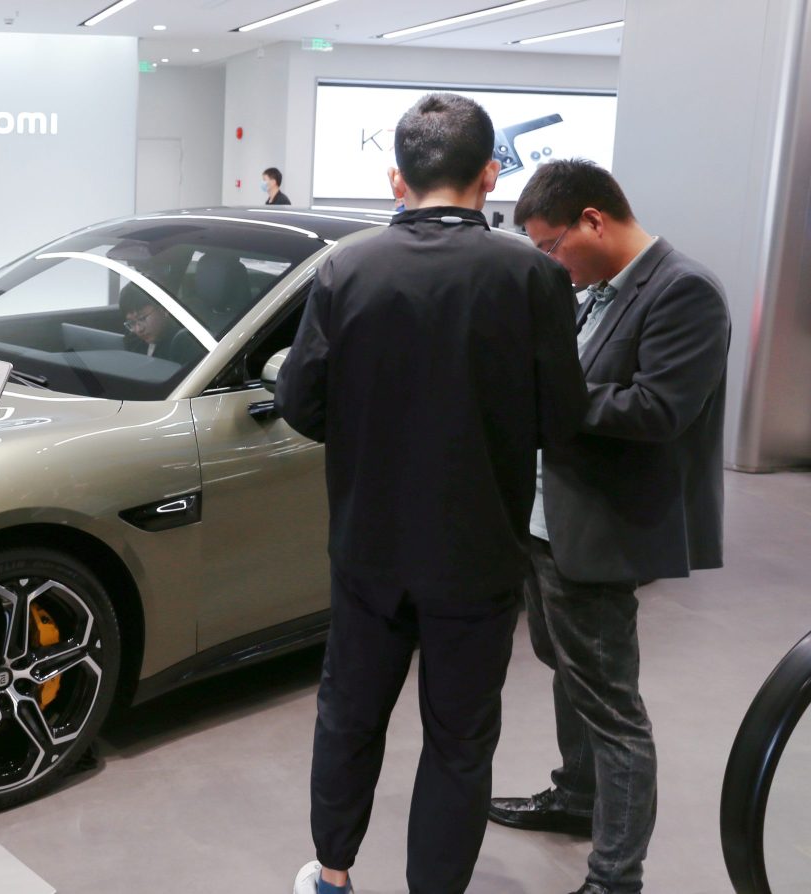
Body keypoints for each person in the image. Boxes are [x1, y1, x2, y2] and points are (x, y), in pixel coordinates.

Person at [277, 93, 588, 894]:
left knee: (349, 716)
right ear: (491, 175)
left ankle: (333, 875)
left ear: (396, 178)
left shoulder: (346, 268)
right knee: (460, 741)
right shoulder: (534, 275)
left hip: (368, 546)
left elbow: (300, 404)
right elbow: (563, 418)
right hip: (479, 553)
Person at [489, 160, 731, 894]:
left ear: (593, 220)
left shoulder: (685, 290)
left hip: (601, 529)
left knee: (612, 708)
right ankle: (576, 796)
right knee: (569, 671)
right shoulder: (593, 292)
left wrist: (548, 396)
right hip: (548, 521)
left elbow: (660, 410)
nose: (550, 264)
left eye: (552, 246)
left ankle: (616, 877)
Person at [119, 282, 198, 363]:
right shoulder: (134, 341)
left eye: (142, 318)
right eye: (132, 323)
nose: (139, 329)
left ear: (163, 308)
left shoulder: (182, 343)